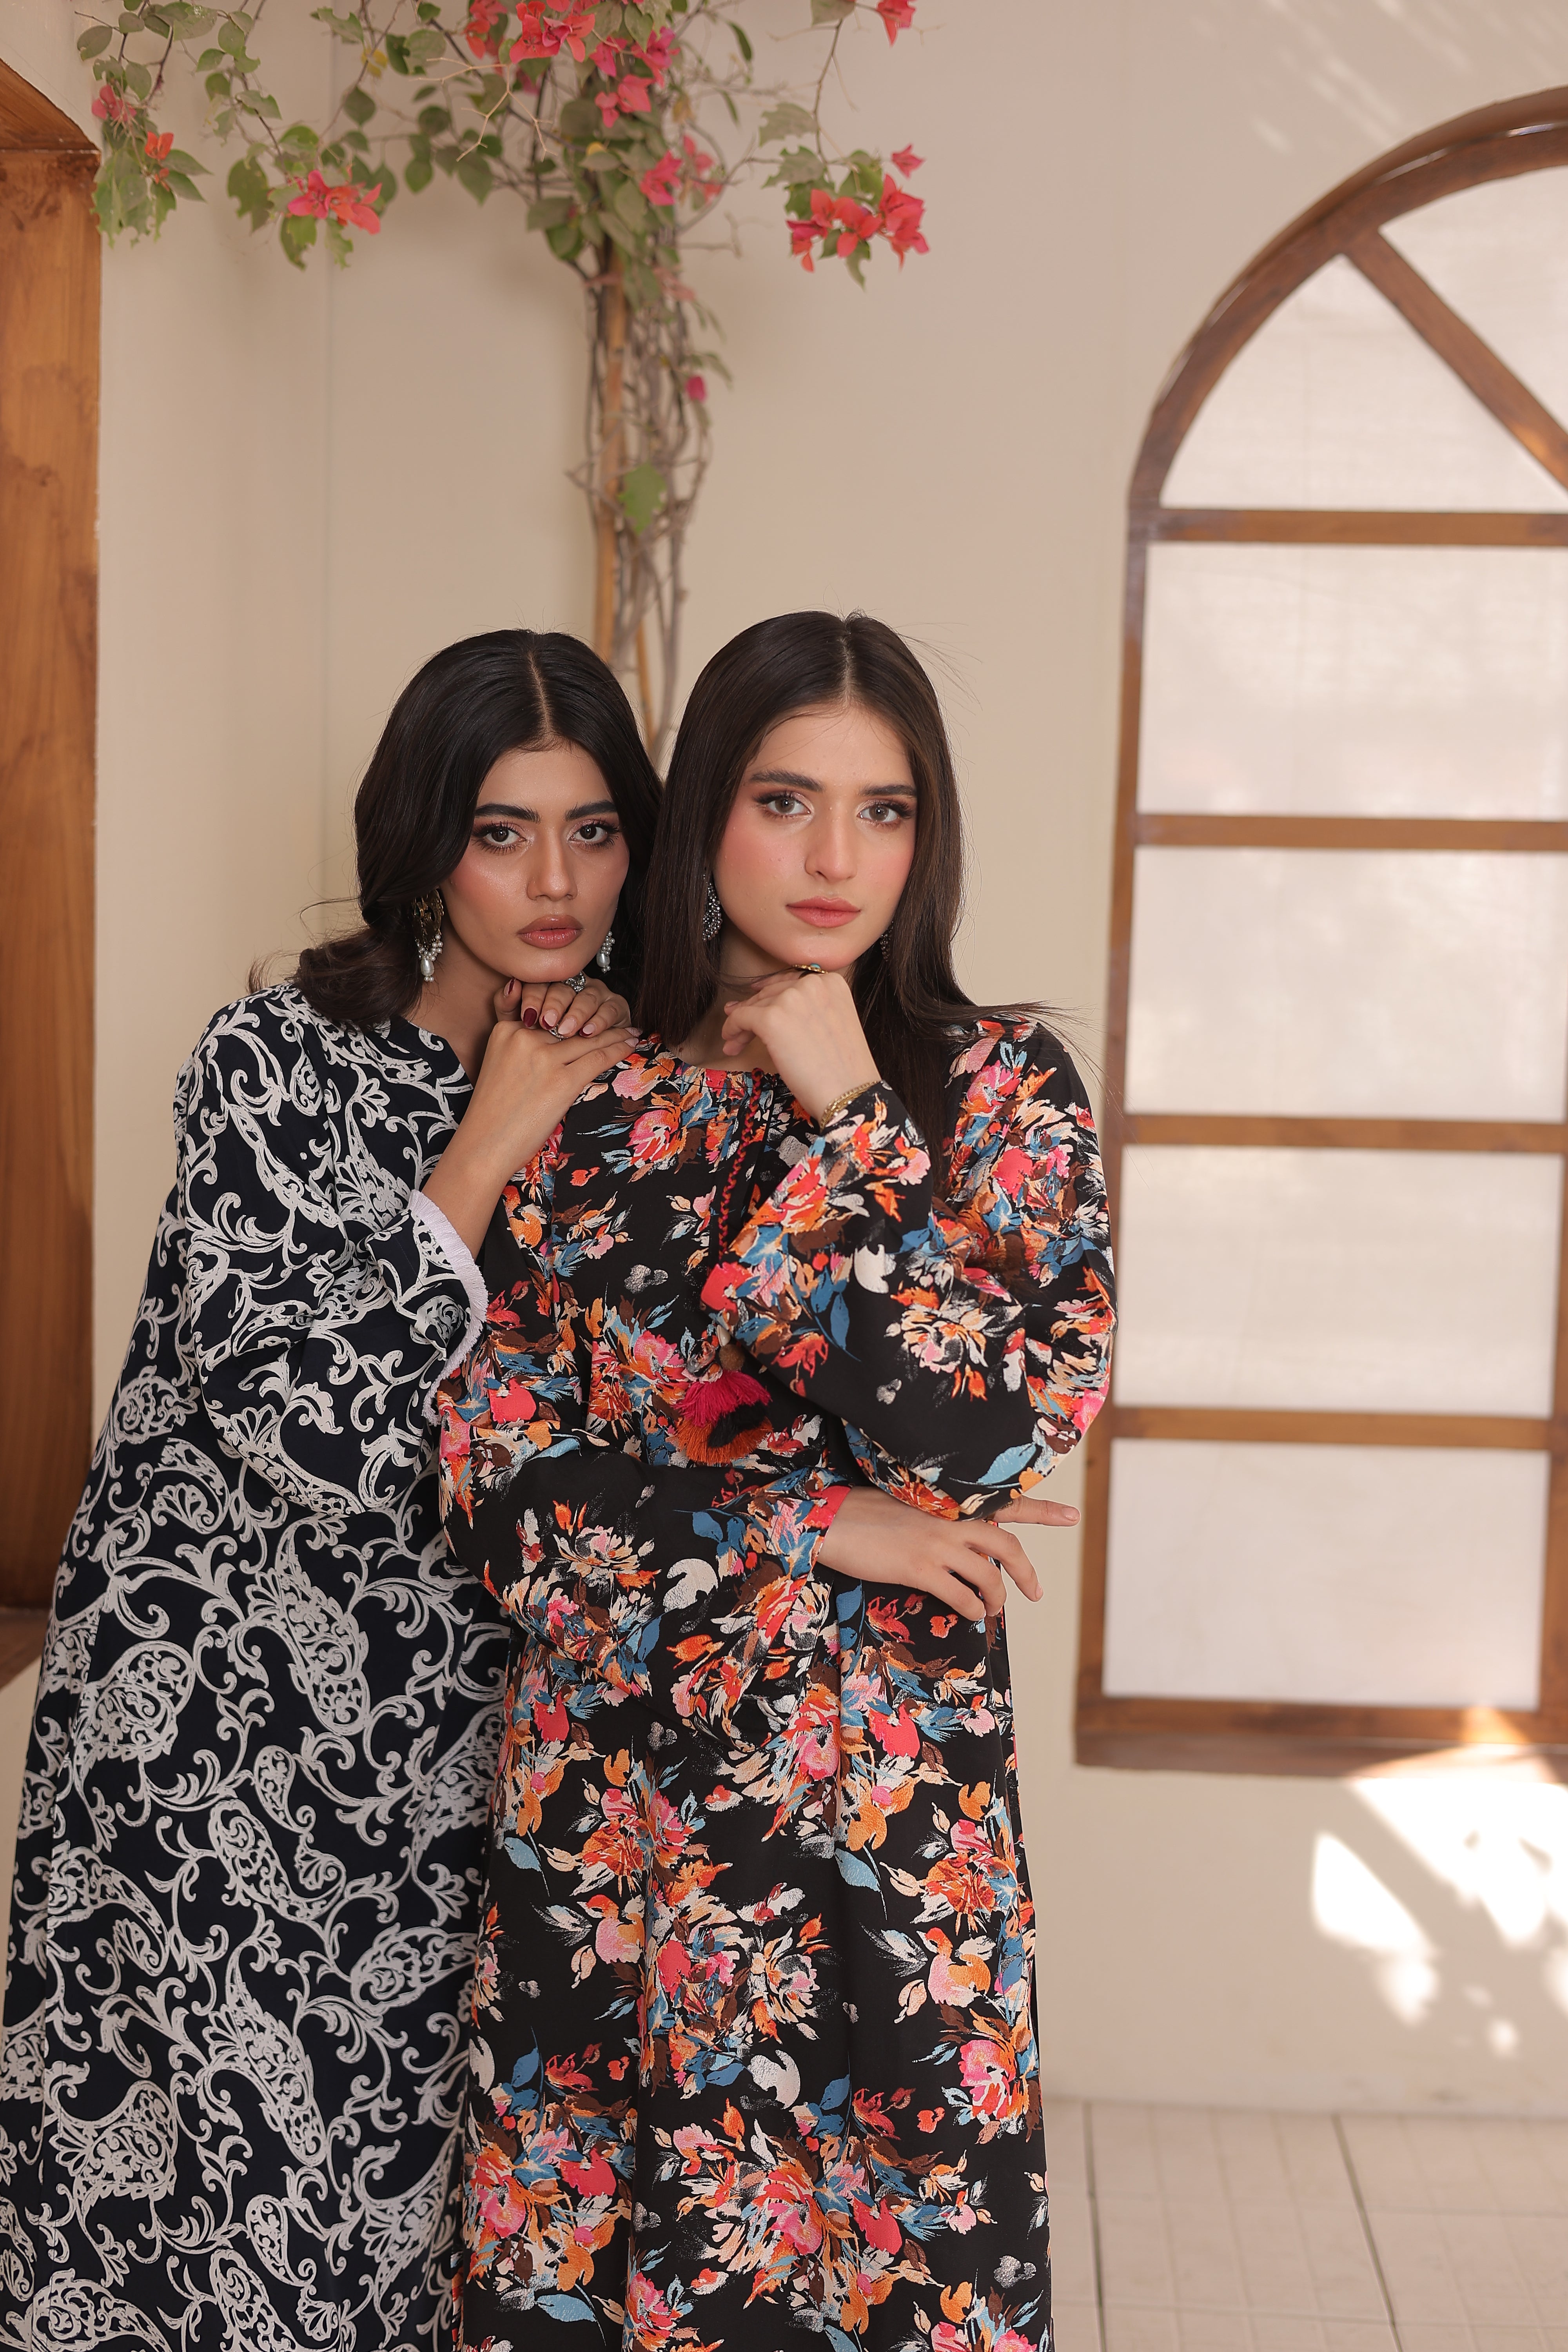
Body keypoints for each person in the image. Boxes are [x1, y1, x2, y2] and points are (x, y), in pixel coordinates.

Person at [437, 612, 1115, 2348]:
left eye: (884, 811)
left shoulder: (998, 1092)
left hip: (885, 1831)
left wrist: (853, 1112)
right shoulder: (584, 1098)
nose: (834, 860)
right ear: (705, 817)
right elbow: (501, 1488)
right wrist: (822, 1523)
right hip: (615, 1820)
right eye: (785, 801)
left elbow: (987, 1434)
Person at [0, 631, 660, 2349]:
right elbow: (310, 1433)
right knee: (189, 2245)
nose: (554, 881)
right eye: (502, 832)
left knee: (398, 2235)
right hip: (202, 1751)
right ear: (427, 841)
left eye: (592, 831)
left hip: (444, 1758)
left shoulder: (630, 1095)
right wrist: (486, 1140)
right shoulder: (269, 1065)